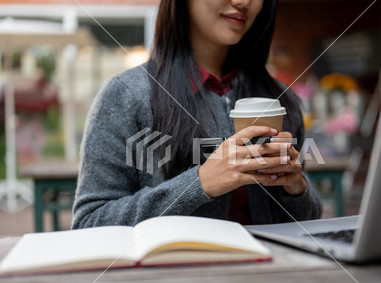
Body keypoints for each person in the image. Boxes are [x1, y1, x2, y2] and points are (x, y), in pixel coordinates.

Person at [72, 0, 322, 229]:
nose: (243, 2)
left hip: (275, 272)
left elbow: (307, 223)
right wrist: (198, 183)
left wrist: (297, 189)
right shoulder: (127, 94)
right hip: (176, 275)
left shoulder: (279, 98)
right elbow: (90, 222)